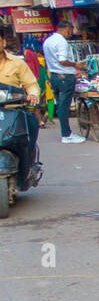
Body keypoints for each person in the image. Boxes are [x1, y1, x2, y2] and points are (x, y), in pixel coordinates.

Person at [1, 36, 43, 188]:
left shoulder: (17, 62)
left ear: (3, 42)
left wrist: (33, 95)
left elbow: (31, 84)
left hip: (12, 110)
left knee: (31, 124)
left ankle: (28, 166)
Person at [42, 20, 82, 143]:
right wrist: (77, 65)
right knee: (64, 106)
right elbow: (63, 60)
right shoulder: (62, 42)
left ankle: (66, 132)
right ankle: (66, 134)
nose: (70, 34)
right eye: (70, 32)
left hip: (54, 76)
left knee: (60, 105)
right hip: (65, 78)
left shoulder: (48, 41)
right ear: (65, 29)